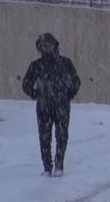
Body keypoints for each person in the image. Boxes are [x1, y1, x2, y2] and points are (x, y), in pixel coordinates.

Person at [22, 33, 81, 177]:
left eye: (48, 45)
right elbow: (26, 84)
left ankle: (59, 165)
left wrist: (68, 94)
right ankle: (47, 167)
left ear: (55, 45)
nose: (46, 48)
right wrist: (35, 94)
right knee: (44, 138)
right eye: (43, 46)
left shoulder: (65, 63)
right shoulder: (36, 65)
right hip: (44, 107)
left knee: (62, 136)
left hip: (62, 106)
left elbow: (76, 81)